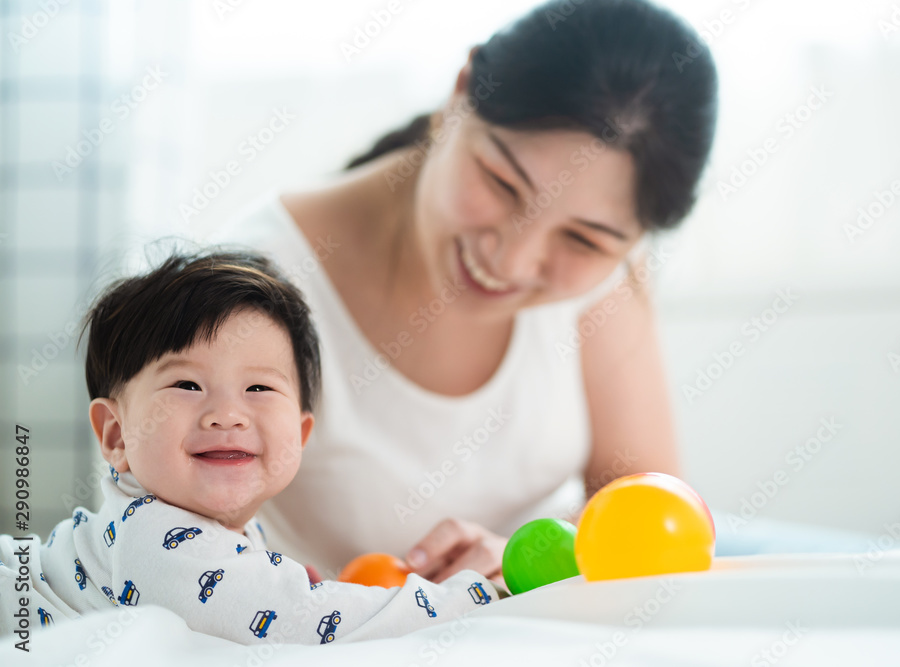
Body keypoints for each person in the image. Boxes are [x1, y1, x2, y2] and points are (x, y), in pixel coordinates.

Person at [208, 0, 719, 583]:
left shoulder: (608, 274)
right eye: (503, 184)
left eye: (584, 240)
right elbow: (168, 550)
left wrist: (532, 561)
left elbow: (646, 507)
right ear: (459, 95)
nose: (511, 259)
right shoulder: (251, 284)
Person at [0, 249, 498, 646]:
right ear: (115, 435)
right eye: (187, 385)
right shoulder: (150, 533)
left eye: (259, 389)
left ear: (300, 437)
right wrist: (476, 597)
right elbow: (306, 624)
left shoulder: (209, 527)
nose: (227, 414)